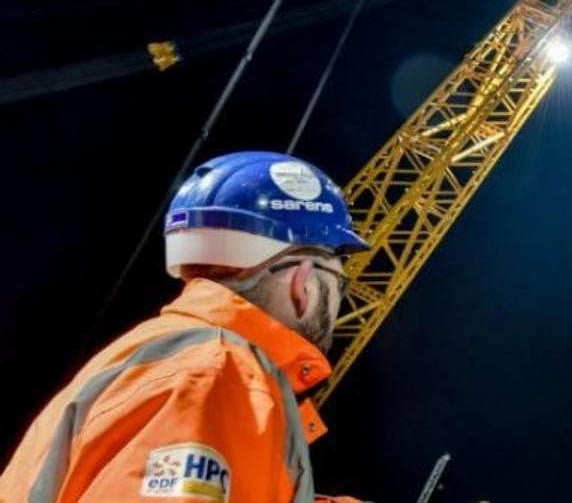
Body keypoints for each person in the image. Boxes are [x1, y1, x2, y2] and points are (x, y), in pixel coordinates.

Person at [1, 151, 372, 502]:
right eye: (338, 281)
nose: (339, 299)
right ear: (303, 282)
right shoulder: (216, 374)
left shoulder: (157, 355)